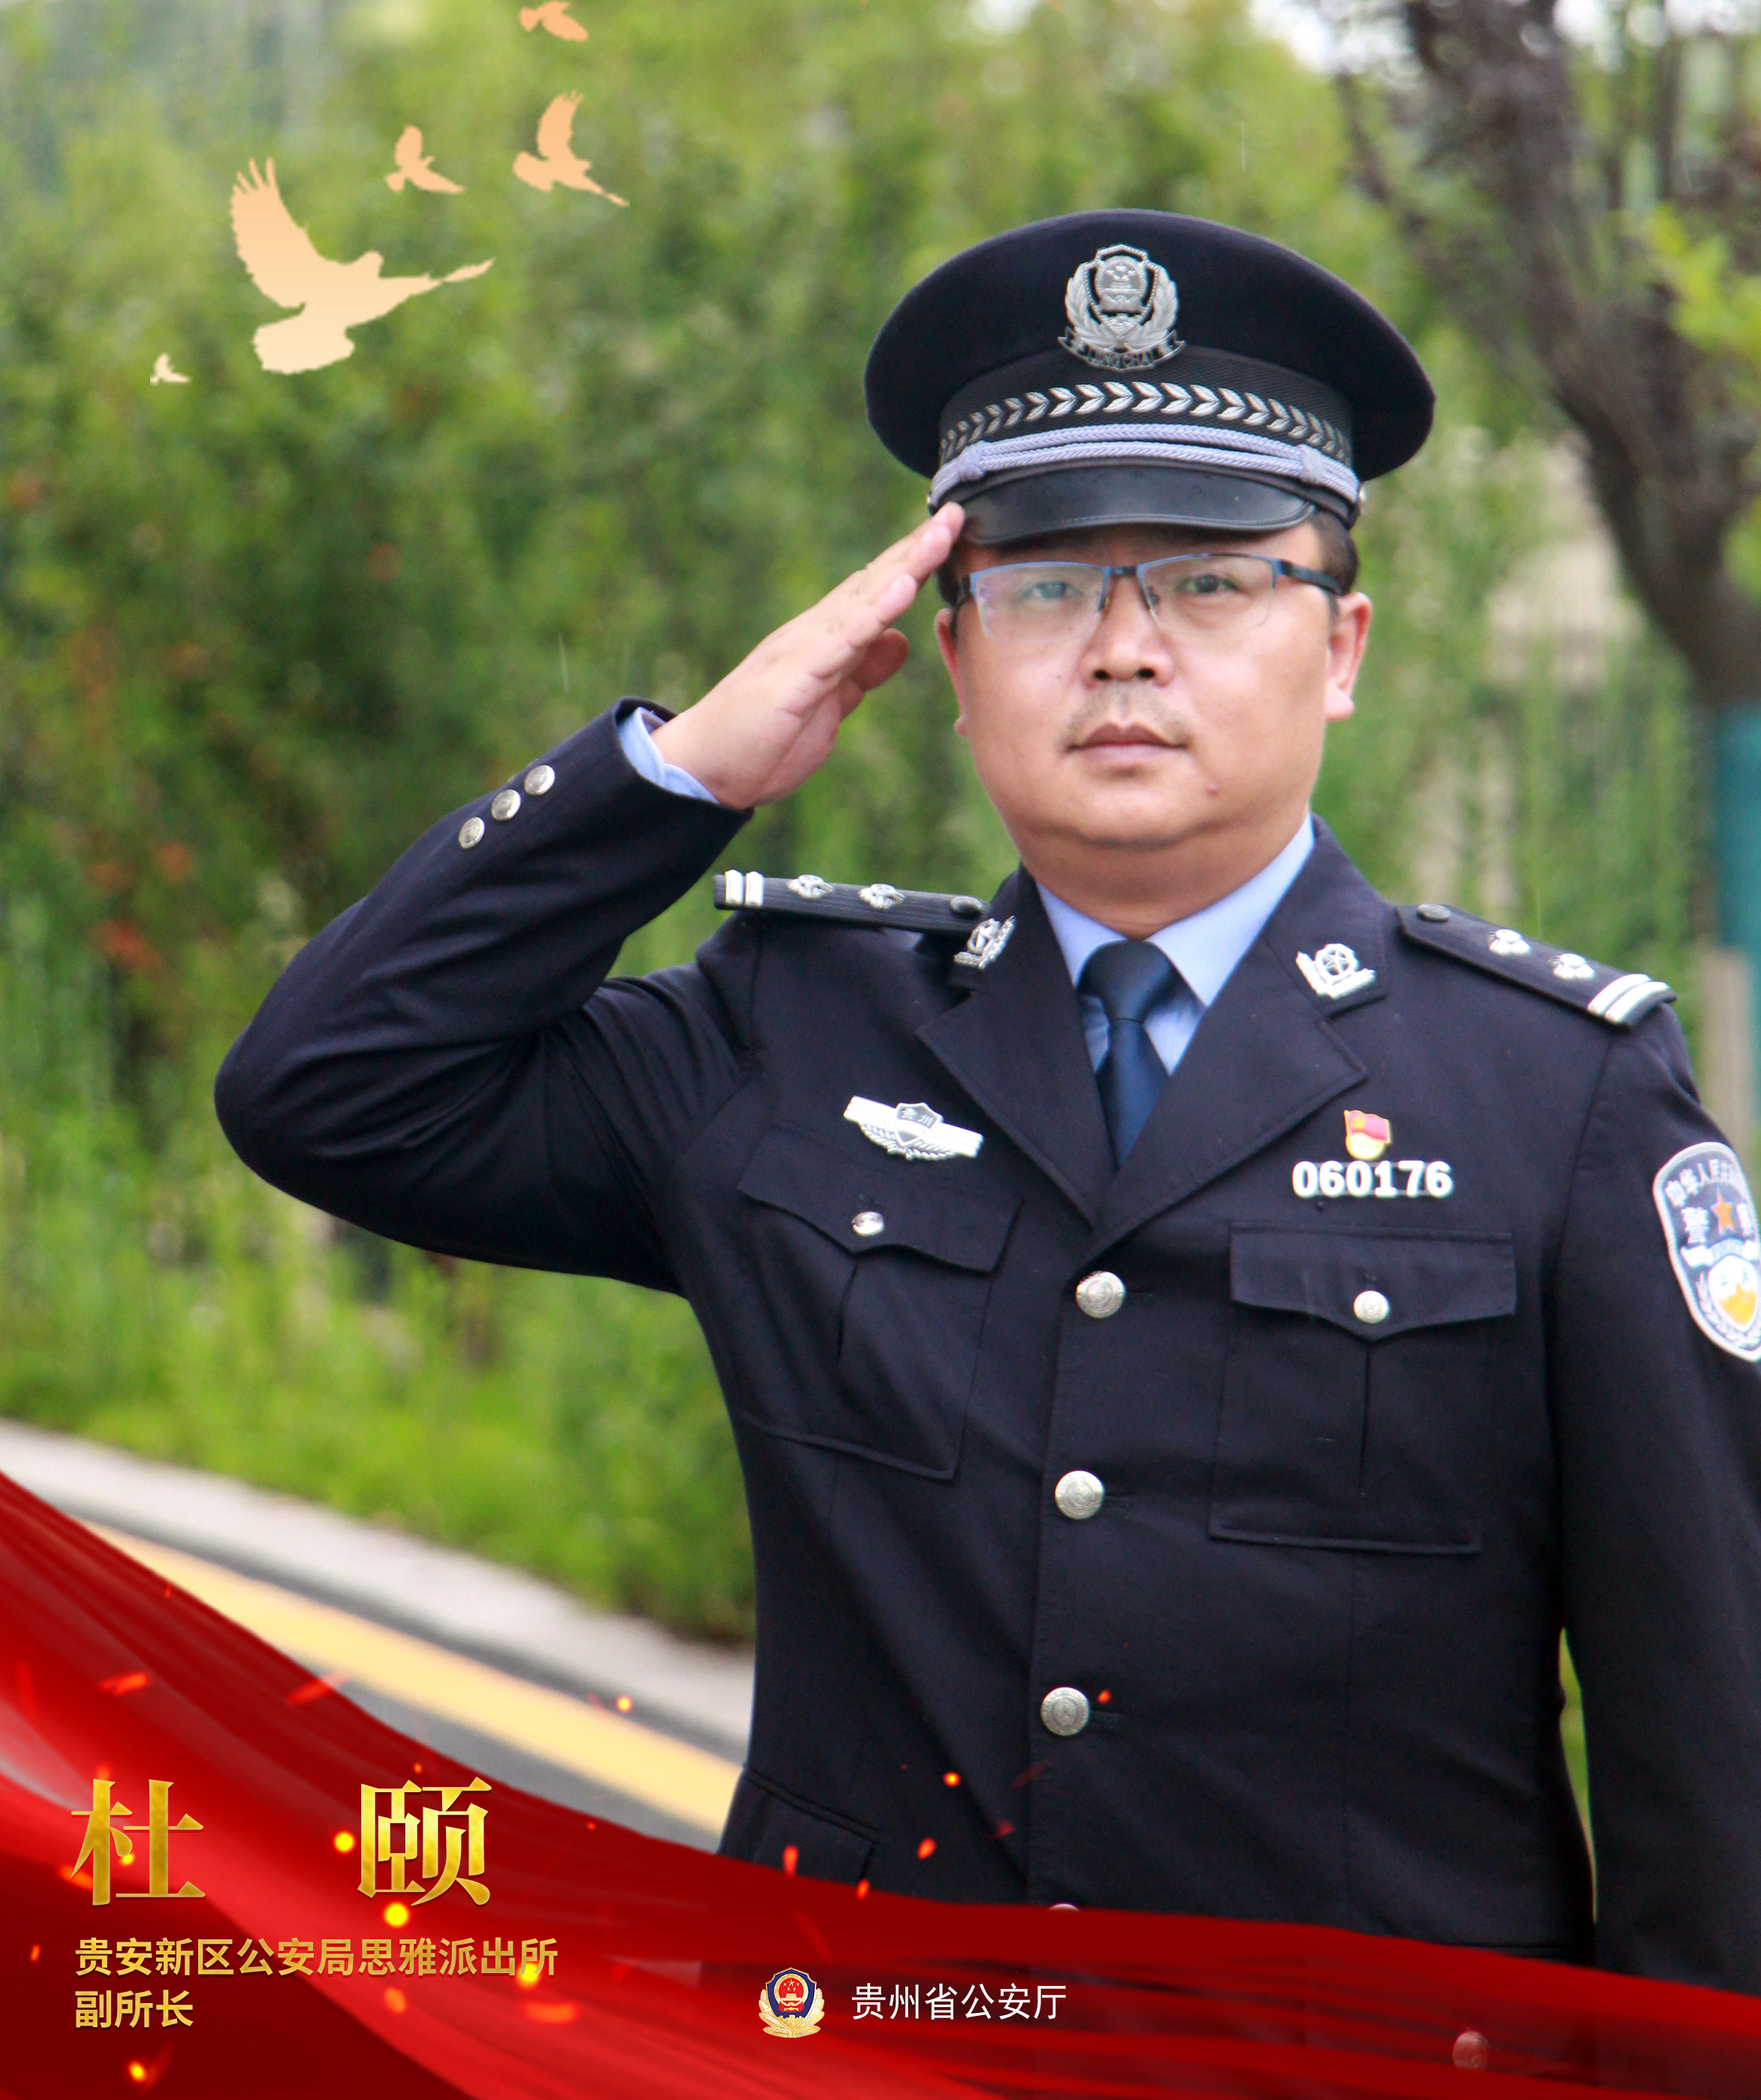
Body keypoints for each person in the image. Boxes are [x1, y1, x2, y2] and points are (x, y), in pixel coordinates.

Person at [215, 211, 1761, 1987]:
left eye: (1208, 581)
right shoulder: (792, 1036)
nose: (1124, 648)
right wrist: (680, 774)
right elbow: (330, 1089)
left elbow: (1711, 1742)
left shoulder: (1558, 1096)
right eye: (1043, 587)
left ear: (1341, 647)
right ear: (949, 665)